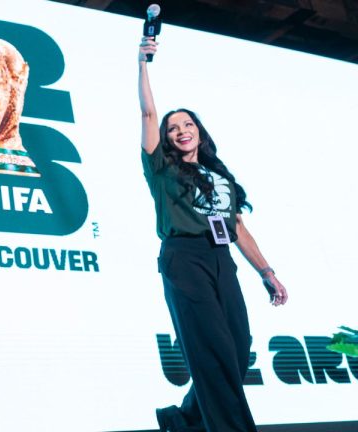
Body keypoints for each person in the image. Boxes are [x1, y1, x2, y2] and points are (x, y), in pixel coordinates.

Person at [137, 37, 288, 432]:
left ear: (199, 132)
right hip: (184, 259)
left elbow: (238, 228)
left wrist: (266, 272)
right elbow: (149, 113)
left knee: (237, 352)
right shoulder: (162, 170)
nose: (181, 130)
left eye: (188, 124)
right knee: (212, 352)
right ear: (167, 138)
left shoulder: (219, 176)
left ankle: (181, 420)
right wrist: (143, 63)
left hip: (222, 260)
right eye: (174, 128)